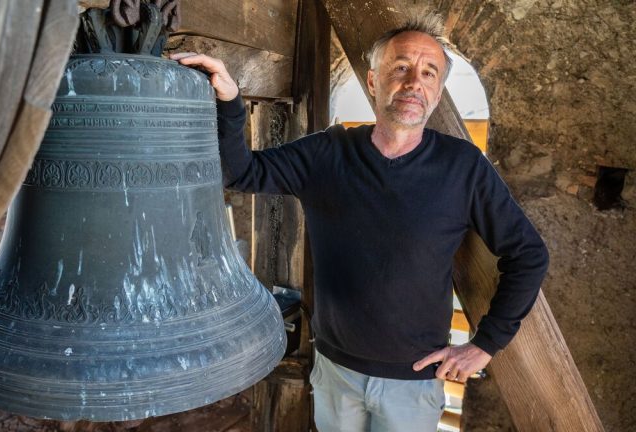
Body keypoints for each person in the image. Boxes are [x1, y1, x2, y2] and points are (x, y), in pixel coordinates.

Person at [172, 11, 549, 432]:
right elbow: (241, 173)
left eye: (428, 73)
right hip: (335, 370)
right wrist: (228, 100)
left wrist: (484, 344)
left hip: (413, 382)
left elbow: (529, 254)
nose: (413, 83)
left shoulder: (463, 167)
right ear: (373, 82)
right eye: (401, 67)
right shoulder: (327, 154)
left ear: (438, 93)